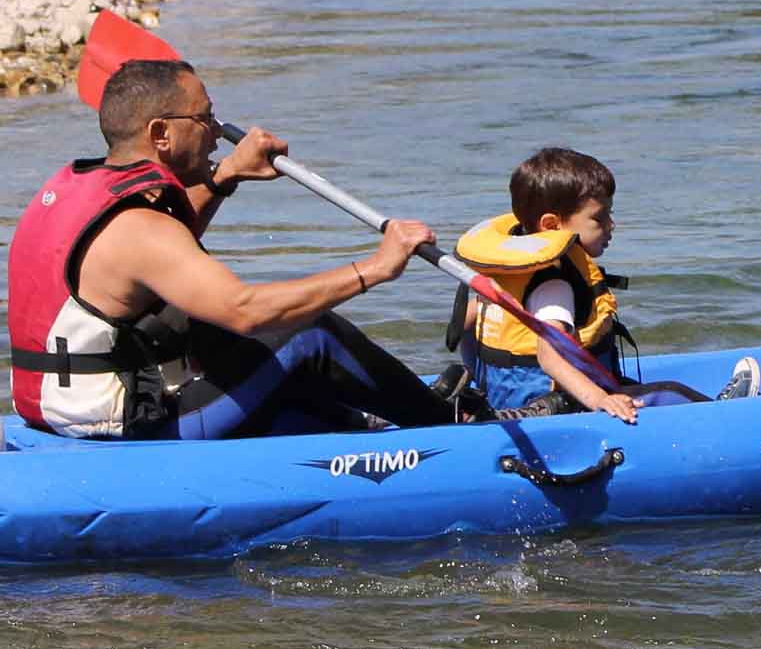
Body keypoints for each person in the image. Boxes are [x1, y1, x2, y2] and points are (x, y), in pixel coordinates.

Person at [7, 58, 460, 440]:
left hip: (60, 408)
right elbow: (246, 310)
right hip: (126, 424)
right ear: (160, 133)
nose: (216, 132)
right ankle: (455, 430)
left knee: (256, 360)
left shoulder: (76, 190)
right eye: (205, 119)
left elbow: (159, 254)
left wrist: (225, 176)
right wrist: (376, 267)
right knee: (309, 334)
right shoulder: (140, 226)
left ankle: (367, 425)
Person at [446, 147, 758, 425]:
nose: (611, 225)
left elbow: (465, 323)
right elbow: (548, 356)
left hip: (507, 395)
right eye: (599, 218)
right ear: (552, 226)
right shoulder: (555, 283)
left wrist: (481, 373)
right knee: (670, 393)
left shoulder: (508, 267)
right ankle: (729, 417)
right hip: (560, 404)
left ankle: (498, 409)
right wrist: (600, 400)